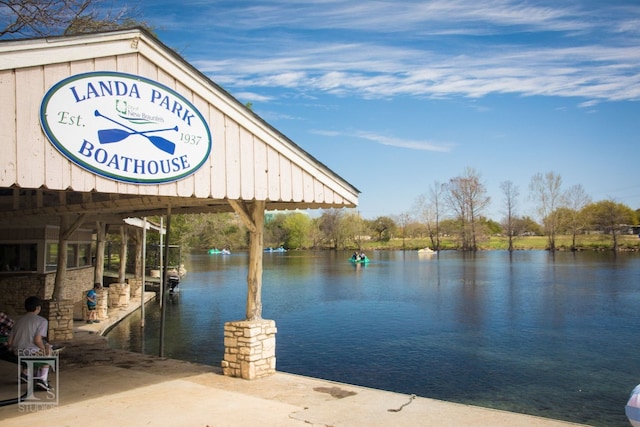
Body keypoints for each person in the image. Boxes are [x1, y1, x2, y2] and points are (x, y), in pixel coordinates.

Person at [7, 296, 53, 391]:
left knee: (31, 349)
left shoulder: (18, 321)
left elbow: (9, 342)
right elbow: (37, 340)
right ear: (38, 308)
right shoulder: (42, 321)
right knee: (48, 351)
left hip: (17, 352)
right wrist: (44, 349)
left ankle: (26, 372)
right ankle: (42, 380)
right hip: (28, 352)